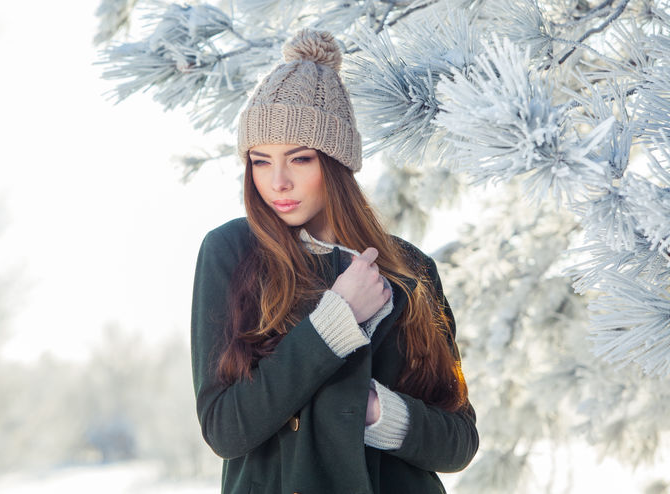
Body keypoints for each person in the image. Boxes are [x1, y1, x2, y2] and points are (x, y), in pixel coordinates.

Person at [191, 28, 478, 494]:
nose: (277, 182)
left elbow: (460, 441)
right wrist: (337, 319)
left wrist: (374, 411)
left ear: (336, 161)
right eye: (260, 161)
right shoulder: (232, 252)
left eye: (299, 159)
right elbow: (225, 429)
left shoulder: (412, 269)